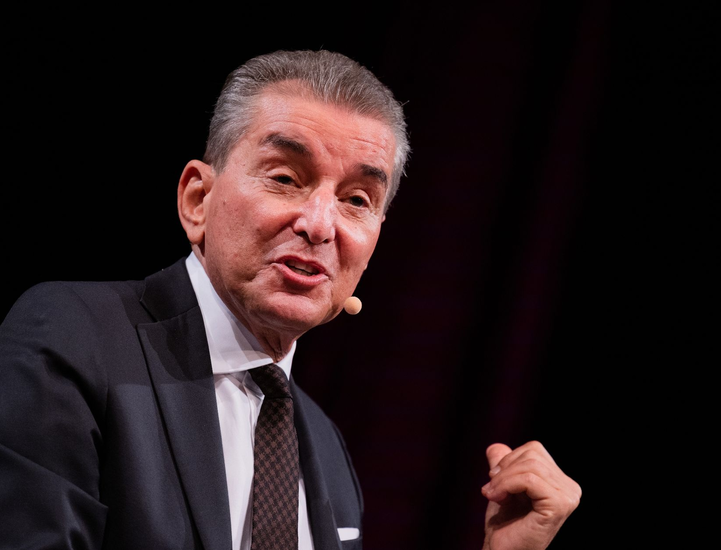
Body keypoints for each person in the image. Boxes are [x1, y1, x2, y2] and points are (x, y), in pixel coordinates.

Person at [0, 50, 580, 550]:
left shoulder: (324, 447)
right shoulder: (73, 338)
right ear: (198, 200)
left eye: (357, 199)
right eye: (285, 178)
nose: (320, 224)